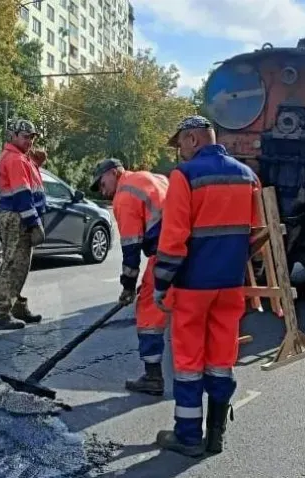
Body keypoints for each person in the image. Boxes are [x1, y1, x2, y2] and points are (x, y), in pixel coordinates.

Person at [153, 115, 260, 456]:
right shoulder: (247, 176)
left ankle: (188, 436)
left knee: (187, 363)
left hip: (192, 287)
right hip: (230, 285)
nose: (179, 152)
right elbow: (258, 233)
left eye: (180, 144)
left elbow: (173, 239)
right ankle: (216, 435)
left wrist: (161, 283)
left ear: (193, 140)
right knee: (220, 358)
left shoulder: (185, 176)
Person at [90, 158, 170, 395]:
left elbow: (131, 251)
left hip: (167, 253)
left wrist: (127, 287)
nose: (102, 191)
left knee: (148, 308)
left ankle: (153, 377)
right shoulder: (153, 177)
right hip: (188, 248)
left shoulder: (124, 196)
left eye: (102, 183)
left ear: (115, 172)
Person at [0, 118, 47, 331]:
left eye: (32, 138)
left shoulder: (21, 157)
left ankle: (17, 307)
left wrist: (36, 163)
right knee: (13, 266)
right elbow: (22, 194)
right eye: (25, 137)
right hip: (18, 218)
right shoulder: (15, 159)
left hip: (18, 217)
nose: (29, 141)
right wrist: (34, 223)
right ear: (12, 136)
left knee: (21, 266)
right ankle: (0, 313)